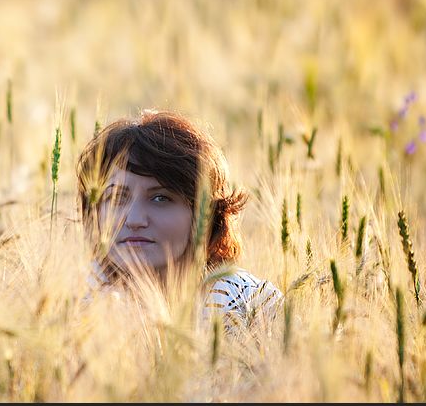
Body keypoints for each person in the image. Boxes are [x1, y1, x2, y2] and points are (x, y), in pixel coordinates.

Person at [76, 109, 282, 329]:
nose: (134, 219)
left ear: (205, 213)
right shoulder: (71, 303)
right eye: (116, 197)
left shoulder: (250, 304)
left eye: (160, 198)